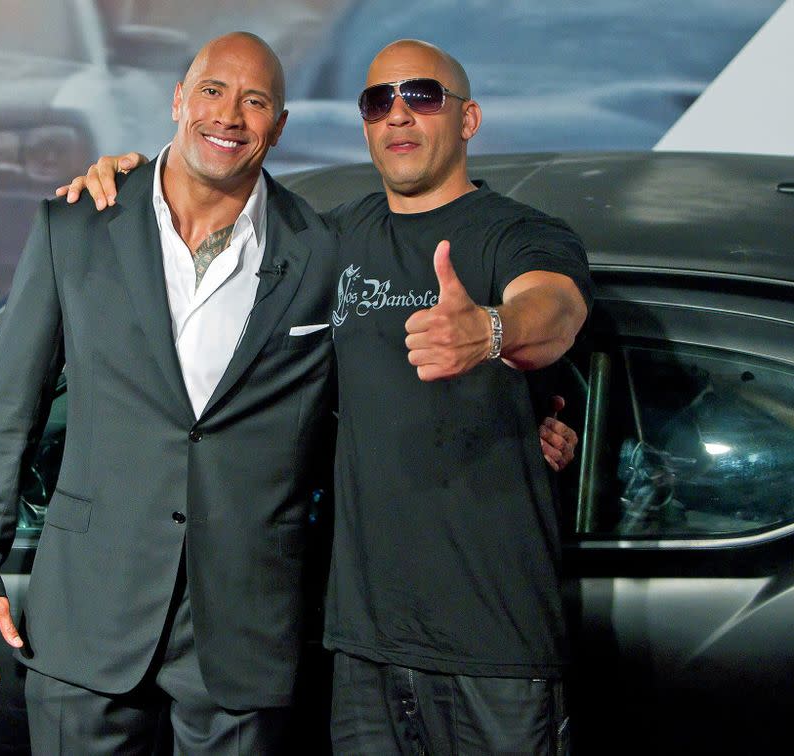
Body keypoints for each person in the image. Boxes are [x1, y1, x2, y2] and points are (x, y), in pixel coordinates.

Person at [60, 38, 590, 754]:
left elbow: (553, 310)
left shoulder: (517, 234)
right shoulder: (330, 237)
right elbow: (213, 218)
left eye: (423, 96)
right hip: (357, 644)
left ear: (468, 120)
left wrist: (490, 331)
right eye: (378, 101)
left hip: (492, 644)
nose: (398, 114)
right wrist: (127, 176)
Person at [0, 32, 342, 754]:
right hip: (89, 613)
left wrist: (530, 414)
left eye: (256, 101)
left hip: (244, 629)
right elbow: (8, 405)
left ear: (278, 127)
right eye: (213, 91)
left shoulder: (324, 252)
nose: (229, 114)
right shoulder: (77, 222)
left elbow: (369, 399)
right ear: (178, 100)